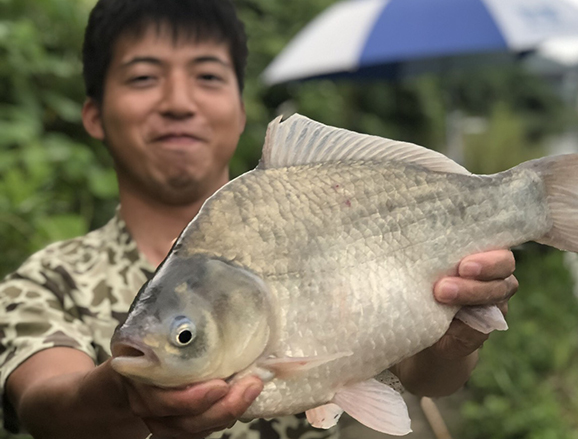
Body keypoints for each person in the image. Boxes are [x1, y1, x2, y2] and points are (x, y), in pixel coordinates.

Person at [0, 0, 518, 438]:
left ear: (239, 108)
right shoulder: (44, 283)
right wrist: (123, 394)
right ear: (93, 113)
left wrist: (457, 338)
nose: (178, 102)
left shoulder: (331, 211)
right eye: (143, 77)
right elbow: (48, 404)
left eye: (206, 75)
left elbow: (427, 376)